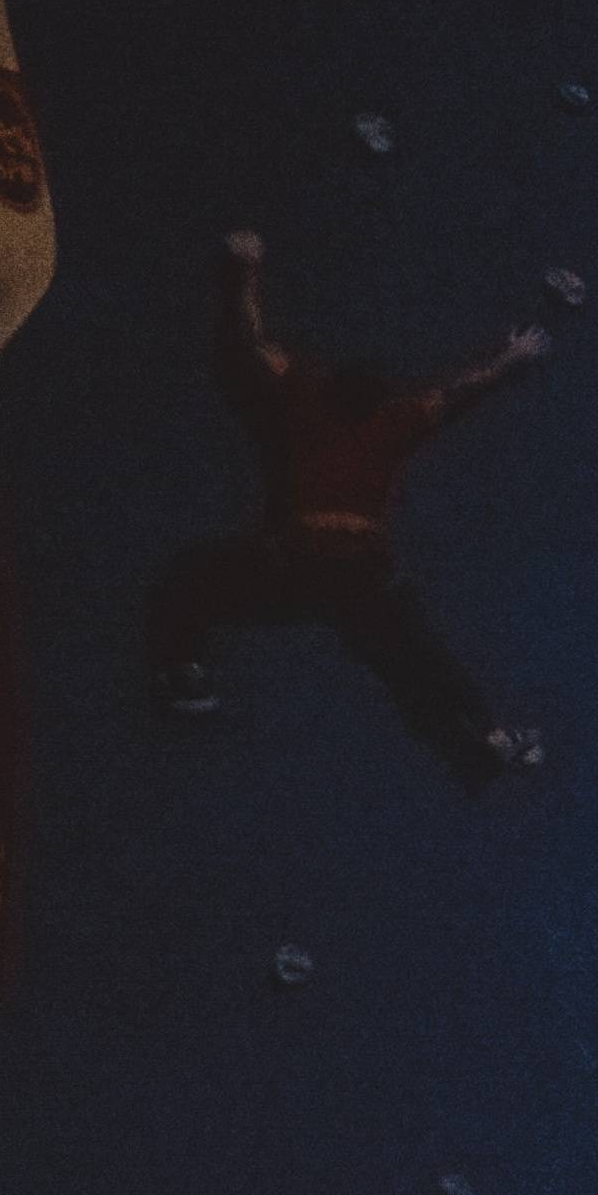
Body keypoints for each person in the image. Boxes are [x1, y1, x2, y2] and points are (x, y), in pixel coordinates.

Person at [145, 232, 549, 785]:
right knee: (417, 658)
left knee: (190, 579)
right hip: (363, 571)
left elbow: (251, 338)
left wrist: (246, 269)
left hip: (296, 561)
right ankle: (487, 736)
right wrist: (511, 359)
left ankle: (185, 671)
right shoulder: (394, 420)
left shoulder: (304, 393)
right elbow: (457, 393)